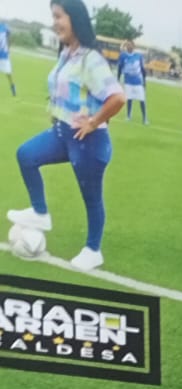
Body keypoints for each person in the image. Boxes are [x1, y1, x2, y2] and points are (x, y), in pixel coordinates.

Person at [5, 0, 124, 272]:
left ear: (75, 18)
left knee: (91, 198)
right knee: (26, 155)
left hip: (87, 141)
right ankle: (40, 213)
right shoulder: (67, 53)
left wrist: (94, 122)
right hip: (62, 133)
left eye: (59, 16)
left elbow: (117, 97)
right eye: (53, 16)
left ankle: (93, 250)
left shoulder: (91, 59)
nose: (55, 22)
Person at [116, 37, 147, 124]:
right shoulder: (123, 56)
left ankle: (144, 118)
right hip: (128, 81)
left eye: (130, 45)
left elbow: (142, 69)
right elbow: (120, 67)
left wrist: (144, 81)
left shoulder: (138, 56)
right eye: (127, 45)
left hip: (138, 81)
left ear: (134, 46)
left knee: (142, 99)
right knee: (129, 99)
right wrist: (118, 78)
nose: (129, 46)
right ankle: (128, 116)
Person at [0, 20, 17, 96]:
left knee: (8, 73)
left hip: (4, 54)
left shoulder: (4, 27)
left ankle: (12, 86)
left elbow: (9, 35)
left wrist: (8, 47)